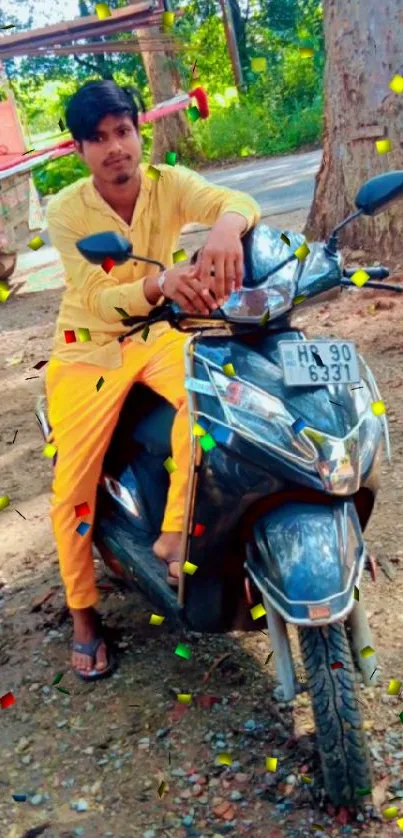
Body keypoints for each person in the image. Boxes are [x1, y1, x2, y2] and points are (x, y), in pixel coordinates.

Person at [45, 79, 261, 681]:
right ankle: (83, 611)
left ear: (138, 132)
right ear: (79, 149)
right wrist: (160, 285)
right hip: (87, 349)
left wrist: (225, 229)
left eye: (123, 132)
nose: (116, 148)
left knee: (216, 403)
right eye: (99, 138)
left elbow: (234, 201)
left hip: (158, 335)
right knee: (71, 489)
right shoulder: (66, 212)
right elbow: (94, 296)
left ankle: (172, 537)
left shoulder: (169, 184)